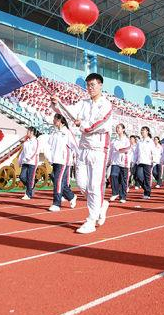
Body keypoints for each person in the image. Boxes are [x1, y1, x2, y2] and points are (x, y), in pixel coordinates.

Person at [51, 73, 113, 234]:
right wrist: (57, 105)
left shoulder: (106, 105)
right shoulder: (83, 103)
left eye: (93, 85)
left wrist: (82, 125)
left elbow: (98, 124)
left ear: (100, 85)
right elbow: (69, 111)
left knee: (94, 185)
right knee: (81, 184)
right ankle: (101, 204)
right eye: (88, 85)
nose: (90, 88)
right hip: (83, 148)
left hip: (99, 149)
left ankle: (91, 220)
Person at [46, 114, 78, 212]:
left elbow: (75, 145)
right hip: (55, 160)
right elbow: (50, 145)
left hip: (63, 160)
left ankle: (56, 203)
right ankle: (71, 196)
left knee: (58, 181)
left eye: (55, 119)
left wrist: (78, 158)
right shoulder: (54, 132)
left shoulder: (67, 132)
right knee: (55, 178)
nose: (53, 121)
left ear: (61, 121)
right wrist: (49, 157)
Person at [109, 123, 131, 203]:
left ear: (123, 129)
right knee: (113, 175)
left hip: (124, 162)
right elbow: (111, 151)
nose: (117, 129)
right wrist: (109, 160)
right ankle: (115, 193)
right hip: (115, 161)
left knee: (123, 180)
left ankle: (123, 197)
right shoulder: (114, 140)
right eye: (116, 128)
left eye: (119, 128)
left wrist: (118, 149)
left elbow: (127, 148)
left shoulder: (126, 140)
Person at [18, 127, 39, 200]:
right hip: (25, 162)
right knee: (22, 177)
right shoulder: (26, 142)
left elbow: (35, 151)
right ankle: (31, 186)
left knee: (30, 178)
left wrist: (29, 157)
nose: (27, 132)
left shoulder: (36, 141)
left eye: (28, 131)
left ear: (32, 132)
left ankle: (28, 194)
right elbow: (23, 152)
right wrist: (20, 160)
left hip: (32, 162)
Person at [135, 126, 155, 199]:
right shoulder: (139, 142)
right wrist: (134, 160)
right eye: (141, 130)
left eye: (144, 130)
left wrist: (154, 160)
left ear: (147, 132)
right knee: (139, 177)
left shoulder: (150, 141)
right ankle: (146, 189)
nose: (142, 132)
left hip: (147, 162)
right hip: (140, 161)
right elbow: (136, 152)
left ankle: (147, 192)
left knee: (147, 178)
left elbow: (153, 151)